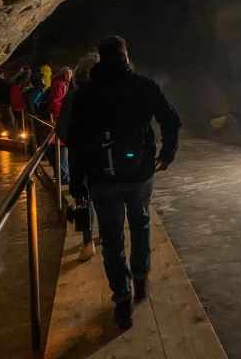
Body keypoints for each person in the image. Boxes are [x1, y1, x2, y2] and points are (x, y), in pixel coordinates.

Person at [69, 36, 181, 330]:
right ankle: (142, 277)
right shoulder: (144, 85)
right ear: (125, 56)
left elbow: (75, 142)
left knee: (111, 237)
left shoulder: (86, 94)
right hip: (140, 173)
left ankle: (121, 298)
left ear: (101, 60)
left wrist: (77, 182)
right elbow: (171, 119)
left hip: (102, 177)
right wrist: (167, 153)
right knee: (140, 222)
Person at [56, 53, 101, 262]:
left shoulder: (73, 96)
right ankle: (108, 236)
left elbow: (62, 130)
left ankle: (88, 242)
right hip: (105, 157)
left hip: (81, 158)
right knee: (107, 197)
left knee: (84, 199)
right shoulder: (108, 93)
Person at [47, 67, 72, 184]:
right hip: (60, 120)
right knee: (61, 149)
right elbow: (56, 102)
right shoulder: (60, 85)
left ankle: (62, 176)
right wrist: (63, 115)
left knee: (59, 149)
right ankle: (64, 177)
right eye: (68, 74)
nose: (70, 76)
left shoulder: (59, 83)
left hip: (59, 119)